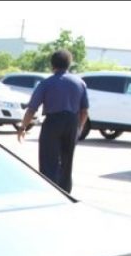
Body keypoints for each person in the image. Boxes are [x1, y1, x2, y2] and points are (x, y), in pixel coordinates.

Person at [17, 49, 89, 193]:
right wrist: (79, 128)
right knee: (67, 162)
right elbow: (84, 111)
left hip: (53, 122)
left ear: (52, 65)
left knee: (48, 160)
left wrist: (23, 127)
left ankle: (49, 190)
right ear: (69, 64)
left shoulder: (46, 83)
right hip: (72, 123)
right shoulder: (80, 83)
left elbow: (32, 109)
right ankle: (65, 192)